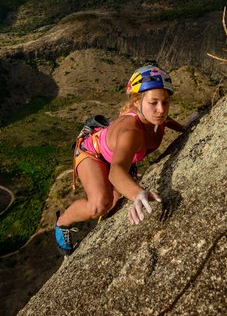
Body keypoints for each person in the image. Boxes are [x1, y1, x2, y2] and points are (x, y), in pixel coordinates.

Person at [54, 63, 186, 255]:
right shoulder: (130, 131)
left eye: (165, 102)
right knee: (100, 205)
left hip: (113, 155)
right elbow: (116, 173)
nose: (161, 110)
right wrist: (137, 193)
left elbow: (167, 120)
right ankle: (62, 223)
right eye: (153, 102)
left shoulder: (155, 117)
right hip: (92, 153)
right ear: (136, 102)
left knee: (114, 204)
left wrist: (186, 127)